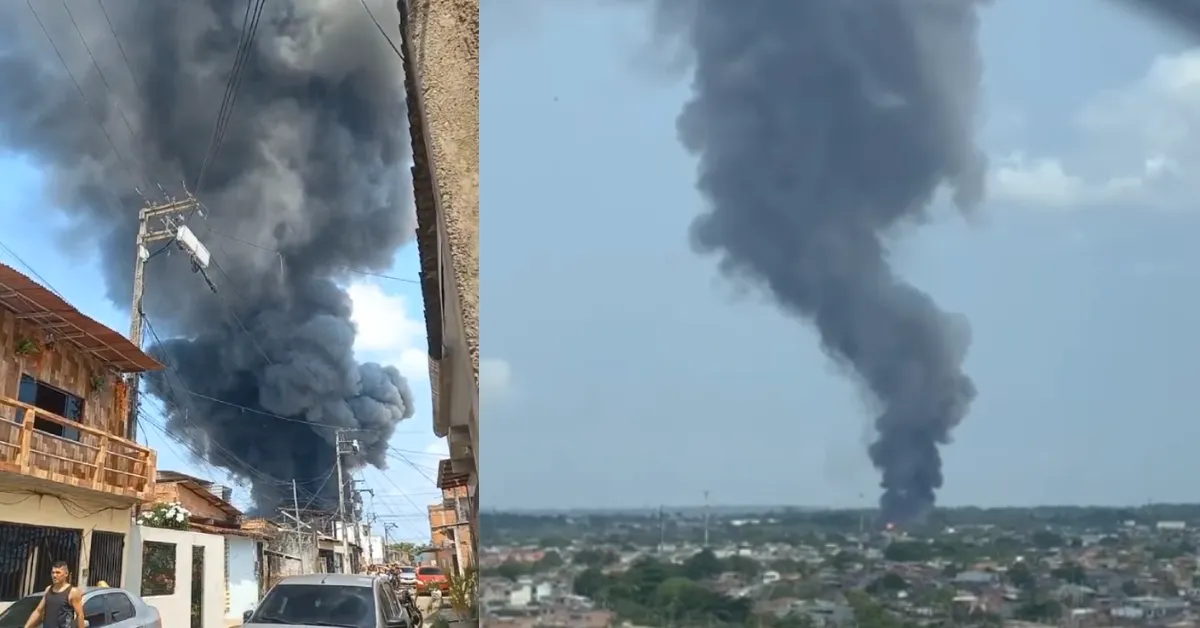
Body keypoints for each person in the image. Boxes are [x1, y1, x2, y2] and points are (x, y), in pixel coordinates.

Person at [22, 561, 85, 628]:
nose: (54, 575)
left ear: (66, 574)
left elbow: (80, 615)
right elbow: (38, 611)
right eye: (53, 573)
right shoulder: (48, 590)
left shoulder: (72, 592)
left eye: (58, 573)